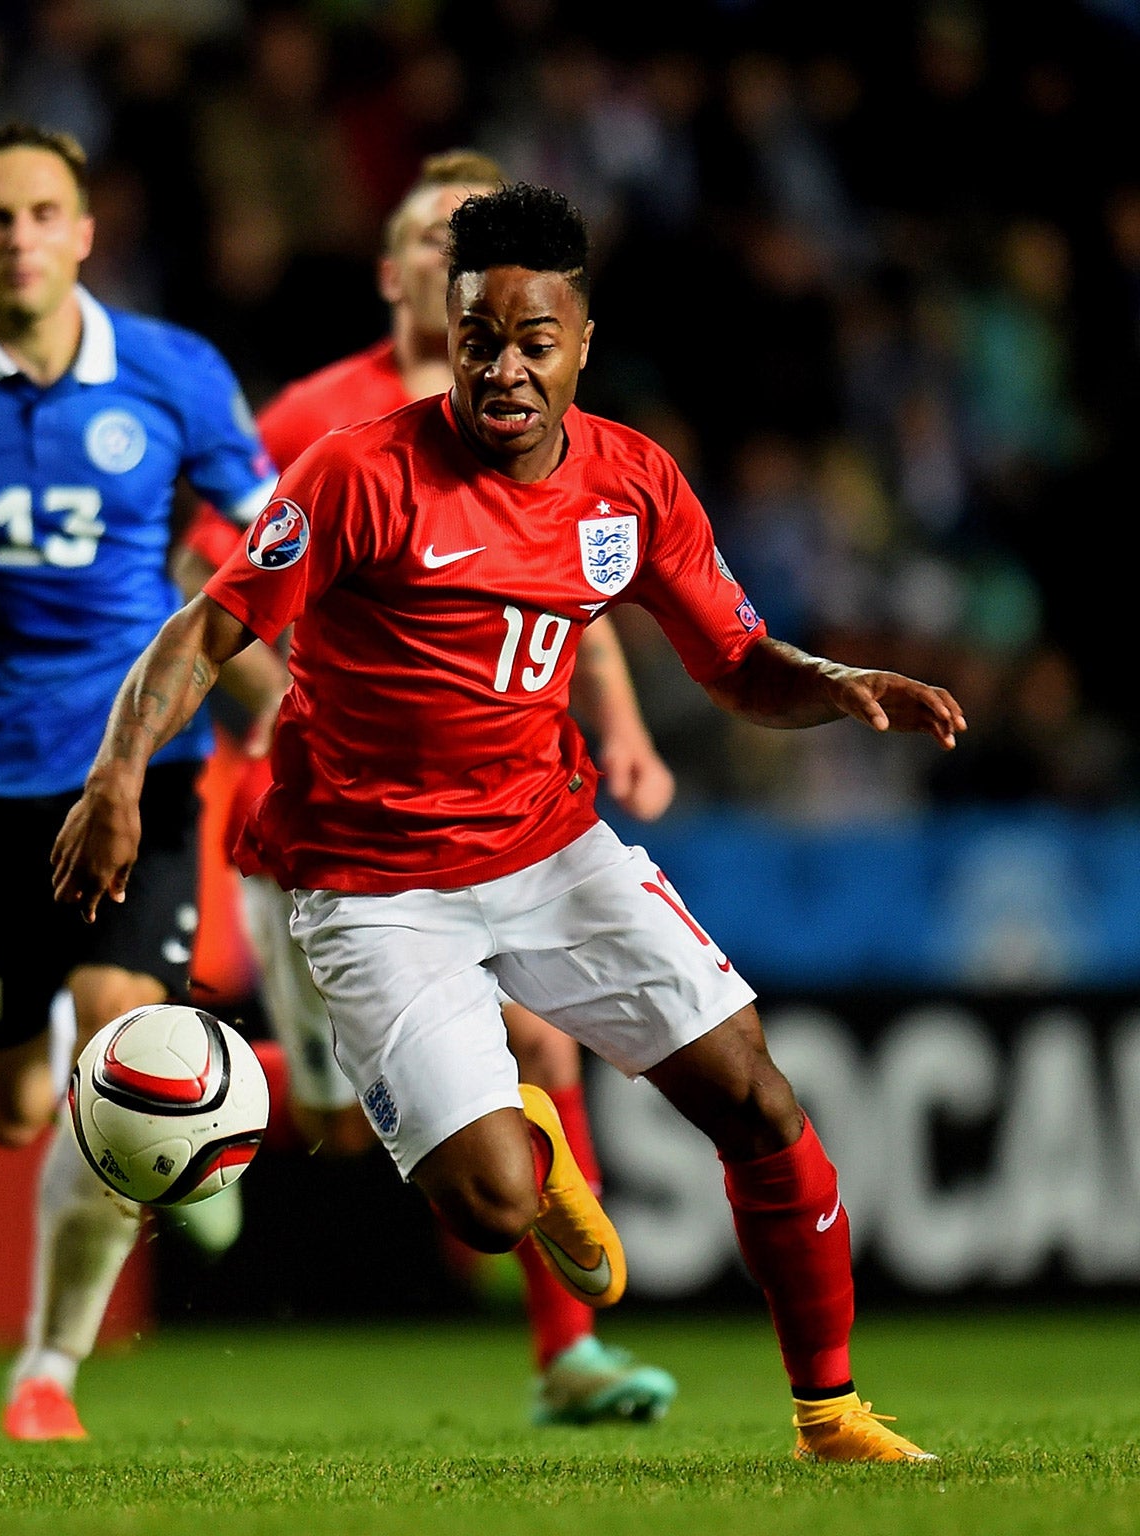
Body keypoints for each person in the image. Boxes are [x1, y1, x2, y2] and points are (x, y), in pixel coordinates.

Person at [54, 184, 960, 1464]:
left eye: (535, 342)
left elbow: (732, 658)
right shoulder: (360, 471)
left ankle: (829, 1413)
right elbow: (209, 626)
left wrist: (831, 683)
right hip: (370, 885)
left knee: (755, 1100)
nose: (504, 368)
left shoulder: (628, 482)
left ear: (580, 343)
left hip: (550, 846)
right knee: (485, 1209)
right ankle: (530, 1142)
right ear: (449, 328)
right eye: (479, 337)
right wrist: (116, 778)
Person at [179, 150, 678, 1426]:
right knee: (343, 1125)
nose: (438, 253)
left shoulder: (541, 424)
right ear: (401, 270)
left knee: (539, 1035)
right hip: (341, 816)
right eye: (423, 236)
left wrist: (618, 723)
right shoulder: (315, 427)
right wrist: (297, 711)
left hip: (514, 810)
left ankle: (564, 1352)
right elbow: (208, 590)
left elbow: (585, 584)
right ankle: (205, 1095)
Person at [0, 123, 279, 1443]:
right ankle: (200, 1091)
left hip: (139, 768)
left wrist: (290, 687)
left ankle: (46, 1368)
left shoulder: (171, 372)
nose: (16, 238)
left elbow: (277, 537)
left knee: (122, 1062)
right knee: (8, 1112)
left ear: (84, 231)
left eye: (41, 211)